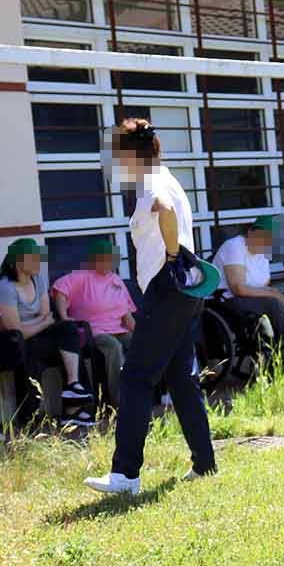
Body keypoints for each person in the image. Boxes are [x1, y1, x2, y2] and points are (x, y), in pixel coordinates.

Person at [84, 118, 216, 496]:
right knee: (179, 379)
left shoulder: (150, 184)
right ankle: (204, 463)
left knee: (136, 378)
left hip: (167, 288)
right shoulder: (166, 176)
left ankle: (125, 475)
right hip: (184, 290)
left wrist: (172, 254)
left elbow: (165, 213)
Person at [0, 238, 94, 426]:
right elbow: (16, 331)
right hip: (6, 344)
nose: (39, 261)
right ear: (18, 262)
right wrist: (42, 322)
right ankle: (51, 413)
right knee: (48, 351)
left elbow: (48, 315)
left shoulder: (38, 280)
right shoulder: (5, 288)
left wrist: (37, 322)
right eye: (34, 258)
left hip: (31, 336)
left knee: (68, 330)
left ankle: (73, 385)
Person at [52, 235, 135, 406]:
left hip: (118, 329)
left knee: (141, 344)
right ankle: (118, 399)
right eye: (103, 258)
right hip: (93, 331)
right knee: (114, 347)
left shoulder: (116, 280)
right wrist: (64, 316)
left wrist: (141, 333)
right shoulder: (82, 277)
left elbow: (126, 314)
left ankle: (145, 393)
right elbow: (59, 288)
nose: (107, 262)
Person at [214, 217, 284, 345]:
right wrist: (272, 293)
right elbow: (238, 288)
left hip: (253, 299)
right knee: (273, 303)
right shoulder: (234, 246)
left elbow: (264, 283)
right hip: (229, 300)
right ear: (250, 233)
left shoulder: (263, 252)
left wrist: (272, 293)